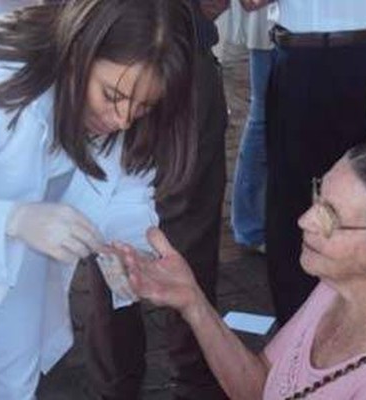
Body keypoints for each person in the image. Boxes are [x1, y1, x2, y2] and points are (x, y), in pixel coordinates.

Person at [0, 0, 199, 398]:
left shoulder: (112, 96)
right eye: (112, 96)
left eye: (141, 108)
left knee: (11, 380)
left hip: (19, 280)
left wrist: (134, 252)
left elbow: (119, 188)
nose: (122, 120)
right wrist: (10, 220)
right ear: (79, 48)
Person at [119, 141, 366, 400]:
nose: (303, 220)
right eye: (318, 197)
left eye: (330, 216)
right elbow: (262, 387)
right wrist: (192, 302)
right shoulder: (340, 286)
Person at [81, 0, 230, 398]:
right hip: (106, 47)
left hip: (177, 59)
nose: (126, 118)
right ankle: (131, 383)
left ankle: (188, 380)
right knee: (105, 239)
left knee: (178, 243)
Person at [237, 0, 366, 325]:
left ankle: (342, 313)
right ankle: (294, 323)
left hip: (362, 54)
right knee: (291, 199)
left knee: (352, 192)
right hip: (300, 56)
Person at [229, 2, 275, 253]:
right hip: (271, 32)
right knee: (261, 122)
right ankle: (249, 226)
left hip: (307, 34)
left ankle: (253, 223)